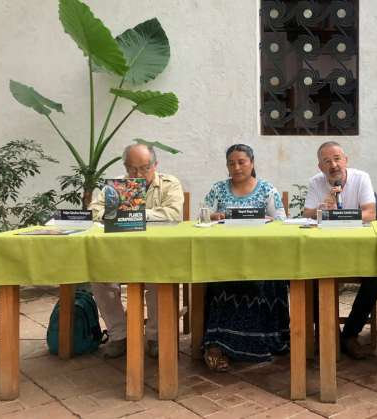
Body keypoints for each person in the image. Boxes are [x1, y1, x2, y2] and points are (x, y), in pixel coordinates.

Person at [90, 143, 184, 358]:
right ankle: (119, 335)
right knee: (99, 277)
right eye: (132, 169)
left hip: (157, 254)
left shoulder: (170, 184)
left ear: (155, 164)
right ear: (125, 167)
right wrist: (124, 213)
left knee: (159, 278)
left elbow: (173, 214)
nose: (139, 174)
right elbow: (94, 210)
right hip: (120, 253)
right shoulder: (116, 186)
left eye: (144, 168)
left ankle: (155, 336)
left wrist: (134, 213)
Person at [202, 144, 289, 371]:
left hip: (263, 258)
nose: (237, 167)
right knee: (224, 282)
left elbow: (281, 219)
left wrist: (270, 220)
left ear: (252, 163)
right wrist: (214, 215)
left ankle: (261, 341)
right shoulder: (218, 189)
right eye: (232, 163)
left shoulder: (267, 189)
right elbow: (201, 217)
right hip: (224, 258)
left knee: (263, 282)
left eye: (242, 162)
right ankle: (217, 344)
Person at [303, 141, 377, 359]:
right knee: (311, 276)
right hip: (325, 250)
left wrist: (338, 217)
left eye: (337, 159)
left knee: (376, 279)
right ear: (320, 167)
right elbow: (306, 214)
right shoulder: (316, 182)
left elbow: (370, 213)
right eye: (327, 161)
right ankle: (328, 333)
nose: (333, 164)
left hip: (358, 248)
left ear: (346, 160)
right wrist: (321, 209)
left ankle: (350, 334)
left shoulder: (361, 177)